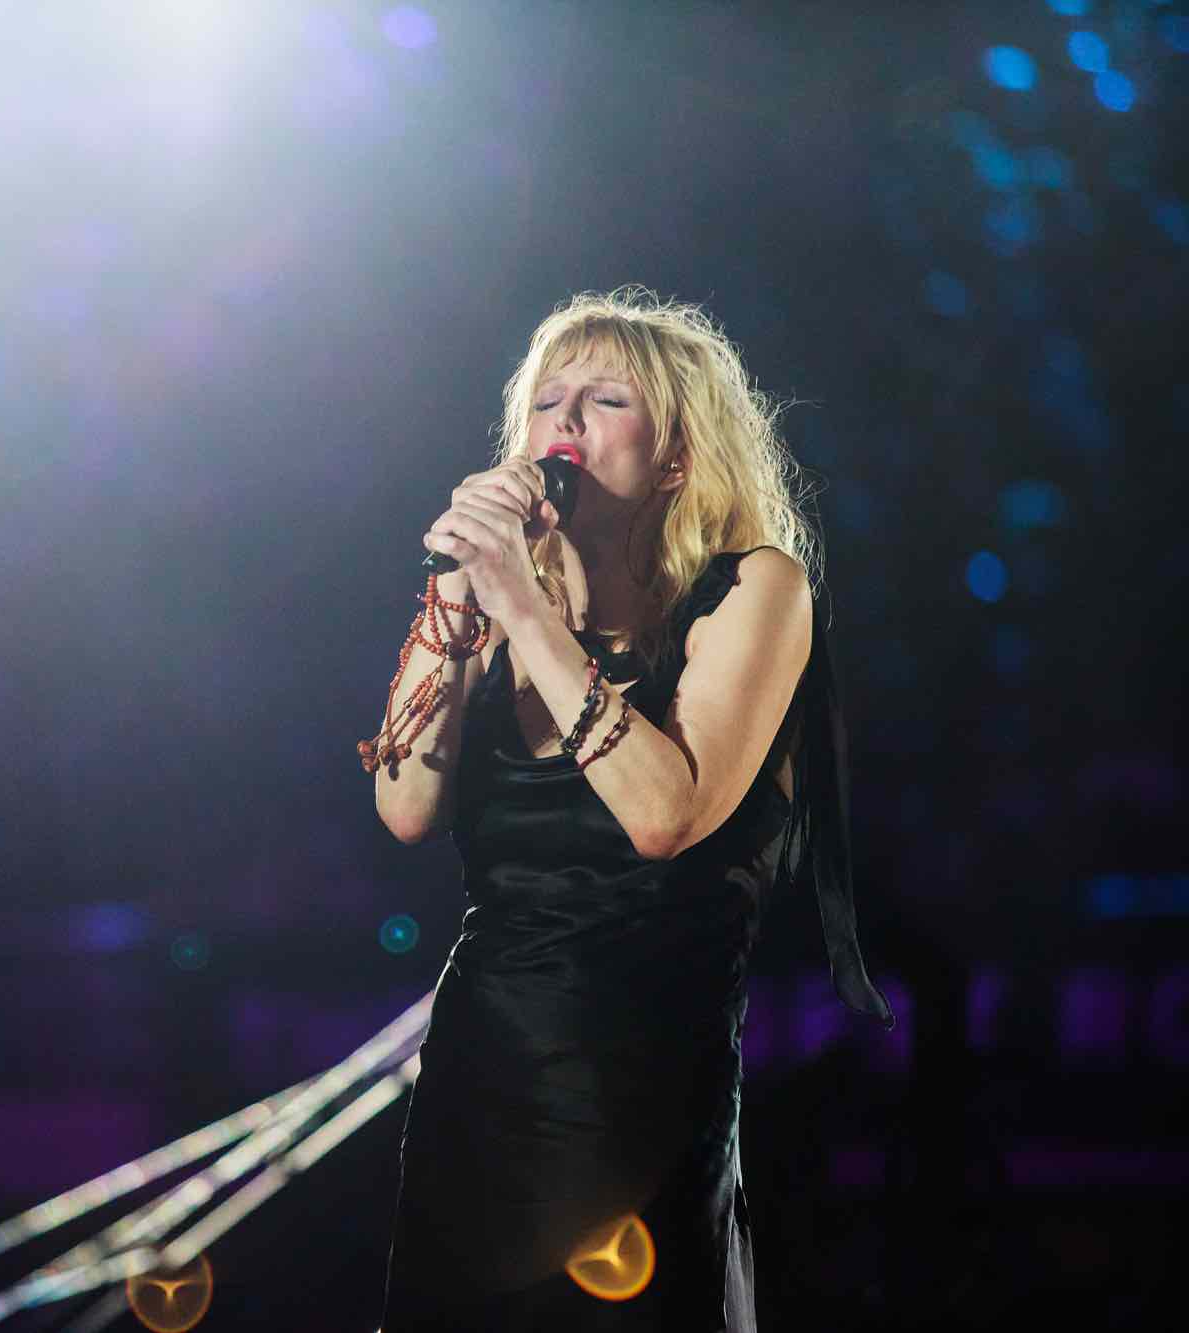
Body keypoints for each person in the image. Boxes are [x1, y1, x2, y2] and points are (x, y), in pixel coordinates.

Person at [363, 286, 893, 1330]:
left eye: (604, 400)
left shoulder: (755, 590)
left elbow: (664, 816)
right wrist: (456, 595)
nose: (562, 421)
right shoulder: (496, 608)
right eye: (545, 401)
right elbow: (405, 804)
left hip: (638, 1098)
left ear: (677, 457)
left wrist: (520, 605)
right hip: (479, 1078)